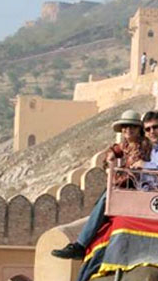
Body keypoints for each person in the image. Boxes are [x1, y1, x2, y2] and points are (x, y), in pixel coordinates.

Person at [50, 110, 151, 259]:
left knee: (106, 199)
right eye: (125, 127)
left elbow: (132, 173)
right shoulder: (126, 144)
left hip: (136, 187)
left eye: (132, 127)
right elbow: (112, 150)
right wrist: (111, 155)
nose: (128, 130)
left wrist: (115, 178)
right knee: (102, 201)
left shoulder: (141, 146)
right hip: (124, 185)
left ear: (139, 130)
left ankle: (81, 245)